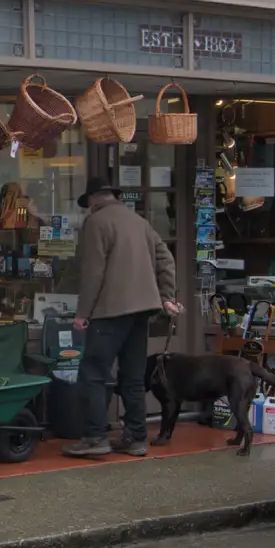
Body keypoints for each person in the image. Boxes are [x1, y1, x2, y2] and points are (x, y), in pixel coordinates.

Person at [64, 177, 182, 459]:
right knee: (132, 376)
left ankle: (95, 437)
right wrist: (166, 296)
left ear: (93, 199)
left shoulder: (96, 222)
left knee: (92, 373)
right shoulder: (138, 221)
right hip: (142, 310)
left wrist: (82, 314)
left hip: (110, 311)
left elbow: (93, 272)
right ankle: (136, 438)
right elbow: (166, 258)